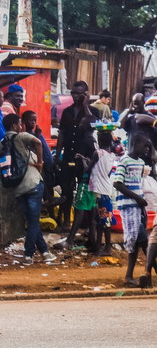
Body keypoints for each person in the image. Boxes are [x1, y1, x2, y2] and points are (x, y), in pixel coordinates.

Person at [0, 114, 55, 264]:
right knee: (33, 222)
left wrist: (6, 167)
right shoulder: (21, 137)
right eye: (19, 124)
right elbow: (38, 142)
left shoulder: (0, 144)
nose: (21, 127)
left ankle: (45, 252)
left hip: (17, 188)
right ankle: (28, 255)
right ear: (14, 126)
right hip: (33, 184)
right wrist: (40, 163)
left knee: (32, 221)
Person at [58, 81, 98, 243]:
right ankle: (67, 221)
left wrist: (86, 104)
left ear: (85, 94)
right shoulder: (66, 112)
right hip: (69, 156)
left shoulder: (93, 111)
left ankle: (88, 226)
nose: (75, 96)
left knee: (86, 191)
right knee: (67, 189)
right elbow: (61, 134)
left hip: (86, 158)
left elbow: (94, 124)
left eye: (78, 93)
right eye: (73, 93)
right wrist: (57, 156)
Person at [113, 134, 152, 287]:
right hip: (128, 206)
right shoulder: (124, 161)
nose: (147, 149)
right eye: (145, 146)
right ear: (135, 144)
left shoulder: (141, 162)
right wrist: (137, 198)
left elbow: (137, 183)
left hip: (138, 207)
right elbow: (117, 183)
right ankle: (141, 275)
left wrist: (141, 203)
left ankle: (130, 276)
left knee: (138, 242)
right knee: (143, 241)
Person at [84, 131, 117, 255]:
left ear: (99, 141)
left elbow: (89, 168)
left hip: (98, 190)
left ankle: (107, 247)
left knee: (103, 220)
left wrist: (85, 164)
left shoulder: (97, 153)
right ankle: (99, 246)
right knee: (103, 220)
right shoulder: (111, 155)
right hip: (105, 190)